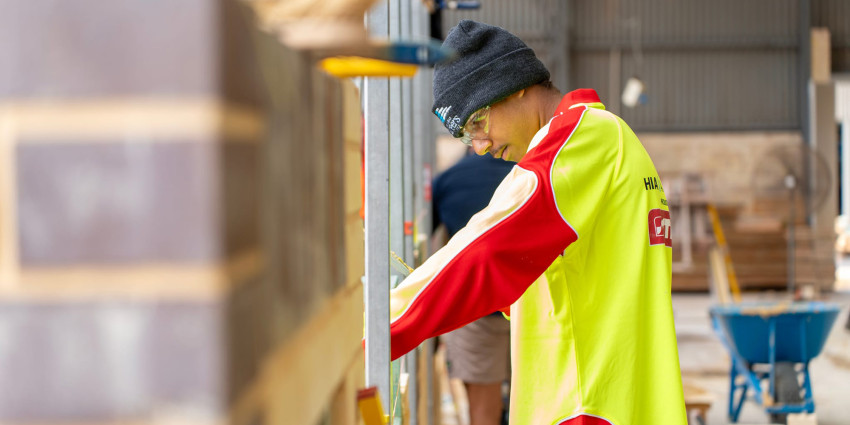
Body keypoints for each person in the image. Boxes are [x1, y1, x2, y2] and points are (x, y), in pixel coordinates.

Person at [388, 20, 686, 425]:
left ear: (515, 85)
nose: (479, 147)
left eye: (477, 123)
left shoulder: (578, 142)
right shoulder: (614, 141)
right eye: (464, 137)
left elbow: (486, 247)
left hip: (585, 409)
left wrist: (380, 326)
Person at [432, 151, 514, 425]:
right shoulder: (530, 174)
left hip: (476, 309)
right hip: (531, 306)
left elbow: (437, 245)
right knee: (536, 401)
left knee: (483, 411)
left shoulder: (449, 179)